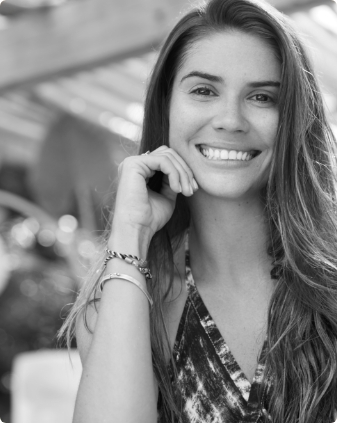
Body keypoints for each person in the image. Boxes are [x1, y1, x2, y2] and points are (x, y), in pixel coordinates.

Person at [60, 0, 337, 421]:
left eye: (262, 97)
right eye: (204, 90)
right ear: (166, 105)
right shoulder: (123, 301)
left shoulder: (328, 286)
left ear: (294, 117)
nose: (230, 120)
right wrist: (130, 235)